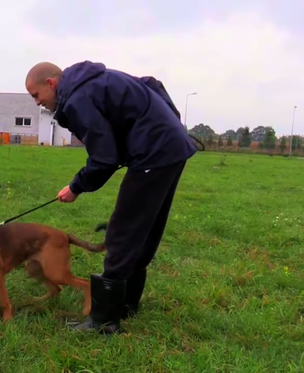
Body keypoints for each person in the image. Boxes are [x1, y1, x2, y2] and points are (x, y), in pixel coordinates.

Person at [24, 61, 198, 335]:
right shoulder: (92, 81)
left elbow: (104, 158)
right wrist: (168, 127)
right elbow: (152, 84)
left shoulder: (78, 98)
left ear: (50, 83)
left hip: (154, 153)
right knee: (145, 229)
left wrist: (76, 187)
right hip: (171, 147)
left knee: (123, 232)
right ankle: (126, 306)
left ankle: (104, 322)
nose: (37, 103)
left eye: (36, 95)